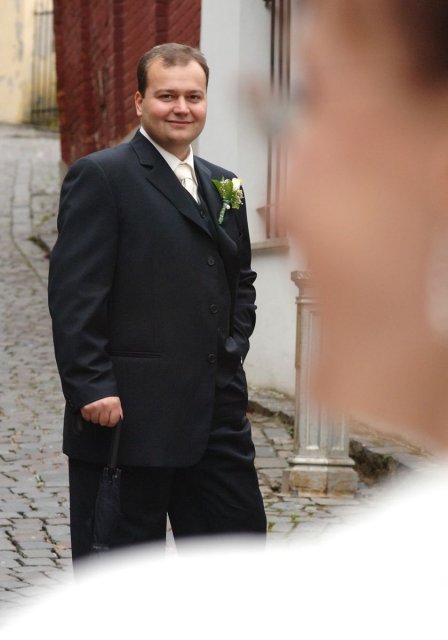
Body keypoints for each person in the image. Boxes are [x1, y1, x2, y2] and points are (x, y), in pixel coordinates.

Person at [48, 43, 266, 561]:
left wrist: (234, 345)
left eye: (194, 96)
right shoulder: (102, 176)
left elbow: (240, 279)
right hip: (127, 419)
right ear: (139, 101)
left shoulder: (224, 183)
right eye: (167, 96)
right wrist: (92, 386)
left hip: (216, 414)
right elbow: (75, 293)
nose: (182, 107)